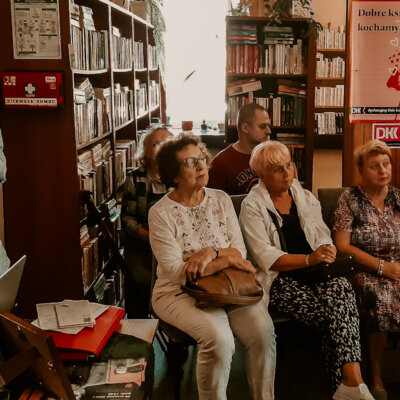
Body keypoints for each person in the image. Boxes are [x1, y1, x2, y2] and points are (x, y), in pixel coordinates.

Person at [239, 140, 375, 400]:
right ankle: (349, 384)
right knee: (337, 316)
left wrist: (326, 250)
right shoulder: (252, 206)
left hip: (316, 271)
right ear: (261, 175)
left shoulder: (305, 196)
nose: (287, 173)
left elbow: (322, 235)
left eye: (289, 165)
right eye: (277, 169)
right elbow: (266, 257)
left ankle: (348, 384)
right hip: (280, 279)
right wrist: (309, 260)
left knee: (341, 288)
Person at [149, 134, 276, 400]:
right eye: (190, 162)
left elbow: (238, 251)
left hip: (229, 286)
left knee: (262, 332)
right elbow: (177, 271)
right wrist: (227, 258)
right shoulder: (159, 212)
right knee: (220, 339)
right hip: (177, 292)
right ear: (173, 175)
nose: (201, 165)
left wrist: (212, 253)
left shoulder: (221, 199)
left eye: (202, 158)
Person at [332, 140, 400, 400]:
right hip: (363, 269)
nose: (383, 170)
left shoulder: (396, 196)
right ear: (360, 170)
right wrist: (383, 267)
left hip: (397, 265)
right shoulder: (350, 199)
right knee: (383, 297)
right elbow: (342, 245)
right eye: (375, 166)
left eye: (386, 164)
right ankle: (376, 373)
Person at [121, 126, 172, 318]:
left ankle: (175, 327)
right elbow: (127, 220)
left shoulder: (181, 177)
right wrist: (152, 238)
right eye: (155, 144)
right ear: (146, 151)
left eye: (166, 143)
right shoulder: (135, 177)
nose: (161, 147)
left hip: (174, 246)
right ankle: (139, 329)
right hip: (141, 243)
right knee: (140, 281)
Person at [208, 103, 271, 195]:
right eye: (262, 126)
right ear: (245, 128)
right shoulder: (220, 163)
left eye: (268, 125)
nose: (269, 131)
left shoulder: (271, 155)